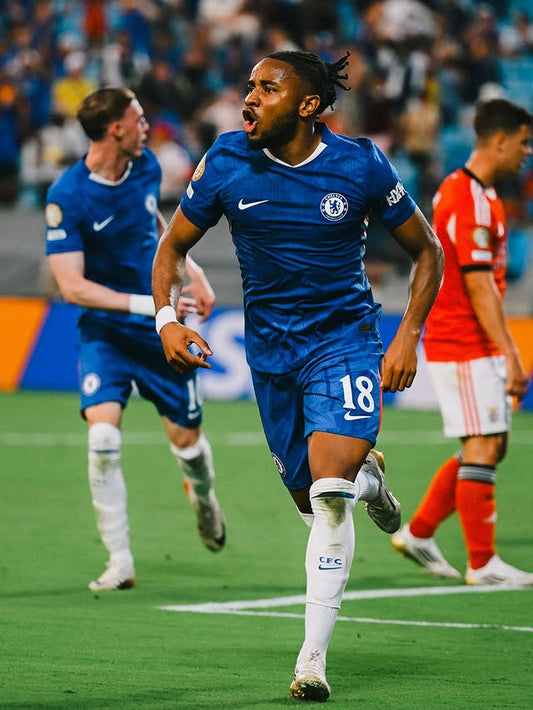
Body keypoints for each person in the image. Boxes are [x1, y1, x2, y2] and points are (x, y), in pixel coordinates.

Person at [151, 50, 443, 702]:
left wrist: (406, 335)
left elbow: (427, 250)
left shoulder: (359, 163)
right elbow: (172, 247)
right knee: (313, 498)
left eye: (268, 88)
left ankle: (311, 661)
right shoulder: (226, 160)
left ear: (309, 105)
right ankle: (370, 478)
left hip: (344, 344)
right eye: (249, 86)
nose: (249, 98)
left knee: (328, 495)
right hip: (271, 356)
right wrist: (167, 320)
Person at [44, 87, 226, 593]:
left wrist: (194, 274)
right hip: (107, 331)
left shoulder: (146, 166)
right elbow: (72, 287)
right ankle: (119, 559)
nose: (148, 126)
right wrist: (155, 306)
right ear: (116, 128)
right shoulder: (67, 195)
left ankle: (205, 500)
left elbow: (158, 226)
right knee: (102, 438)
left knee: (188, 445)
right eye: (139, 118)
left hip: (158, 333)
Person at [391, 98, 533, 586]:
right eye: (524, 142)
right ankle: (483, 562)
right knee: (483, 445)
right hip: (463, 339)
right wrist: (511, 354)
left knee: (492, 445)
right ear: (500, 140)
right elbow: (478, 286)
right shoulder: (467, 196)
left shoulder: (479, 194)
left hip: (470, 340)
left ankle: (419, 532)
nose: (527, 152)